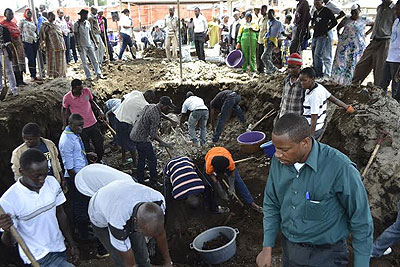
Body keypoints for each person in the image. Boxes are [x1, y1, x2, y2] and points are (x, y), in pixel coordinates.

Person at [256, 113, 373, 267]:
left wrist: (362, 263)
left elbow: (361, 220)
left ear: (304, 142)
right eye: (276, 148)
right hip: (290, 249)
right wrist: (267, 247)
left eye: (284, 149)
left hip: (326, 256)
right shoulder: (279, 162)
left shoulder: (340, 168)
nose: (277, 155)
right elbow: (271, 203)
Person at [0, 149, 79, 266]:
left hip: (59, 247)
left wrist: (72, 244)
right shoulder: (9, 200)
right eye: (36, 176)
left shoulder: (52, 183)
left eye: (45, 174)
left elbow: (60, 214)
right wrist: (7, 230)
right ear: (21, 171)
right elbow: (9, 243)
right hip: (36, 257)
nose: (42, 179)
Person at [88, 180, 172, 267]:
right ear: (136, 222)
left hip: (123, 194)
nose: (149, 238)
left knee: (142, 254)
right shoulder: (118, 221)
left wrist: (168, 261)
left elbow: (160, 233)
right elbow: (129, 262)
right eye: (147, 235)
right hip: (100, 215)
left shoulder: (158, 201)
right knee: (120, 259)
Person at [59, 113, 97, 240]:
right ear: (70, 124)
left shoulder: (74, 135)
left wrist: (87, 155)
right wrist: (78, 182)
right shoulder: (66, 141)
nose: (81, 128)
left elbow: (76, 155)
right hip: (75, 177)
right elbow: (69, 167)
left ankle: (85, 227)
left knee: (85, 202)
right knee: (79, 205)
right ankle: (83, 234)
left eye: (82, 125)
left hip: (80, 174)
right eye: (78, 126)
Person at [130, 96, 176, 186]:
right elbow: (153, 135)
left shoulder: (150, 106)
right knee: (152, 160)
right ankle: (153, 181)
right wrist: (164, 143)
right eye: (167, 107)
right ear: (162, 105)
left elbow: (160, 114)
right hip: (142, 138)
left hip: (134, 134)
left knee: (141, 158)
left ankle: (140, 179)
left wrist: (170, 119)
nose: (168, 109)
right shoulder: (155, 116)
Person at [299, 67, 354, 139]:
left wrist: (311, 136)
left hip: (312, 129)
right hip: (317, 126)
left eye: (305, 80)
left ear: (312, 79)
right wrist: (347, 107)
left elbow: (314, 117)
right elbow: (334, 100)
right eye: (300, 80)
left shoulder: (314, 96)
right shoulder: (319, 87)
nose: (302, 83)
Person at [204, 147, 262, 213]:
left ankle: (252, 203)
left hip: (223, 153)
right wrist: (221, 191)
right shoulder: (209, 166)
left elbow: (232, 175)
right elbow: (214, 179)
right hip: (211, 156)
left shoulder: (230, 163)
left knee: (238, 181)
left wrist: (231, 187)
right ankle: (213, 205)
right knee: (209, 184)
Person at [353, 0, 397, 86]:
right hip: (374, 40)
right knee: (360, 66)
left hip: (385, 41)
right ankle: (354, 86)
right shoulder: (380, 7)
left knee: (379, 70)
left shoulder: (395, 9)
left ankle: (378, 92)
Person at [62, 79, 105, 162]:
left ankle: (99, 160)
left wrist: (99, 110)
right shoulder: (67, 98)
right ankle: (88, 163)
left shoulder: (86, 92)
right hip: (80, 127)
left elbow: (91, 101)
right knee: (85, 147)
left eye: (82, 88)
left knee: (99, 144)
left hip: (93, 122)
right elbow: (64, 110)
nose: (82, 91)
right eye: (79, 89)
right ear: (74, 89)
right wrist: (64, 124)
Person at [331, 4, 373, 86]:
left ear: (359, 12)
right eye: (352, 13)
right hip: (345, 46)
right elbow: (338, 27)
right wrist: (340, 36)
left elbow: (374, 25)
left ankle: (352, 82)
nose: (353, 15)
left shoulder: (364, 19)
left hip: (357, 47)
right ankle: (339, 81)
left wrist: (366, 34)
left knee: (354, 63)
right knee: (342, 62)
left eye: (355, 13)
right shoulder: (347, 19)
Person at [114, 90, 156, 165]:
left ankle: (123, 161)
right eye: (151, 99)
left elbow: (123, 99)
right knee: (132, 144)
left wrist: (126, 110)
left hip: (118, 118)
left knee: (122, 141)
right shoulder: (145, 105)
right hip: (127, 123)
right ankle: (135, 164)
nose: (151, 101)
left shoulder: (135, 93)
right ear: (148, 97)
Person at [379, 1, 400, 101]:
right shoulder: (396, 21)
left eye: (398, 9)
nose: (395, 11)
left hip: (398, 59)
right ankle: (381, 105)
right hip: (390, 57)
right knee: (382, 84)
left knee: (395, 88)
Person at [311, 0, 337, 79]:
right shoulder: (315, 12)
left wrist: (327, 28)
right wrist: (313, 25)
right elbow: (313, 20)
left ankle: (319, 74)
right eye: (315, 4)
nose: (316, 5)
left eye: (318, 4)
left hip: (323, 35)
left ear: (321, 2)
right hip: (315, 35)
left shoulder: (326, 11)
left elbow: (334, 21)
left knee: (317, 54)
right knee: (313, 53)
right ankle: (315, 71)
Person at [74, 9, 103, 80]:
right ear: (81, 15)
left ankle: (98, 73)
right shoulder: (77, 24)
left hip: (89, 44)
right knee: (84, 62)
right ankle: (88, 76)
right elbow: (76, 35)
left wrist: (95, 43)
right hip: (81, 45)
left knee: (94, 59)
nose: (86, 16)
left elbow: (90, 34)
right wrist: (77, 45)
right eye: (85, 15)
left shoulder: (87, 23)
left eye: (87, 15)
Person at [0, 8, 27, 86]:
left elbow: (18, 33)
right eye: (9, 14)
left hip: (19, 45)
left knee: (21, 61)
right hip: (11, 46)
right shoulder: (3, 25)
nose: (11, 16)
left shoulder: (14, 23)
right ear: (5, 15)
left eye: (12, 14)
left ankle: (21, 80)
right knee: (14, 63)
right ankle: (17, 81)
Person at [321, 0, 345, 77]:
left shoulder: (331, 5)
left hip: (328, 31)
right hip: (321, 31)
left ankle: (327, 73)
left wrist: (331, 21)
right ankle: (323, 72)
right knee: (320, 53)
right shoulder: (321, 5)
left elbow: (342, 13)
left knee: (327, 53)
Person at [39, 12, 67, 78]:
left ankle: (61, 75)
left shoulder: (56, 25)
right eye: (51, 16)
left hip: (61, 47)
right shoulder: (45, 26)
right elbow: (42, 37)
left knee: (60, 62)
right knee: (53, 63)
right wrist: (43, 47)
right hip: (52, 48)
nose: (53, 18)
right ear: (48, 18)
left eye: (54, 16)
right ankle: (54, 76)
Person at [279, 53, 304, 118]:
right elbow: (283, 99)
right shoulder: (286, 80)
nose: (290, 70)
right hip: (284, 118)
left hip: (296, 119)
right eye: (289, 67)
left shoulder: (303, 83)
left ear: (299, 67)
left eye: (293, 67)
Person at [18, 8, 39, 82]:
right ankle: (32, 75)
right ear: (25, 13)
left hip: (34, 41)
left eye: (30, 13)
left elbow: (35, 31)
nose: (29, 14)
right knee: (30, 58)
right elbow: (19, 32)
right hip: (26, 41)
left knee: (34, 58)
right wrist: (21, 42)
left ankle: (35, 74)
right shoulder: (22, 21)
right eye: (28, 13)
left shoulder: (32, 21)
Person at [262, 9, 284, 74]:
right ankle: (269, 71)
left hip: (272, 41)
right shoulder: (268, 22)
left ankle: (273, 69)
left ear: (273, 14)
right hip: (267, 40)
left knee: (264, 57)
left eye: (270, 14)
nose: (269, 15)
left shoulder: (278, 23)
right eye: (268, 14)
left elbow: (282, 32)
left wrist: (286, 37)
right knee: (269, 56)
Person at [0, 23, 17, 96]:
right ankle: (0, 89)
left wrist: (5, 44)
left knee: (9, 70)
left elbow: (9, 41)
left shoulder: (4, 29)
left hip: (4, 51)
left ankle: (13, 89)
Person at [257, 5, 268, 73]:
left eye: (262, 10)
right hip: (260, 40)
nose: (261, 11)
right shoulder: (260, 19)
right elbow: (259, 29)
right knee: (259, 55)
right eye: (260, 10)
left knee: (264, 56)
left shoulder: (268, 18)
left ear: (266, 10)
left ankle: (265, 69)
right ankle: (260, 69)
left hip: (266, 41)